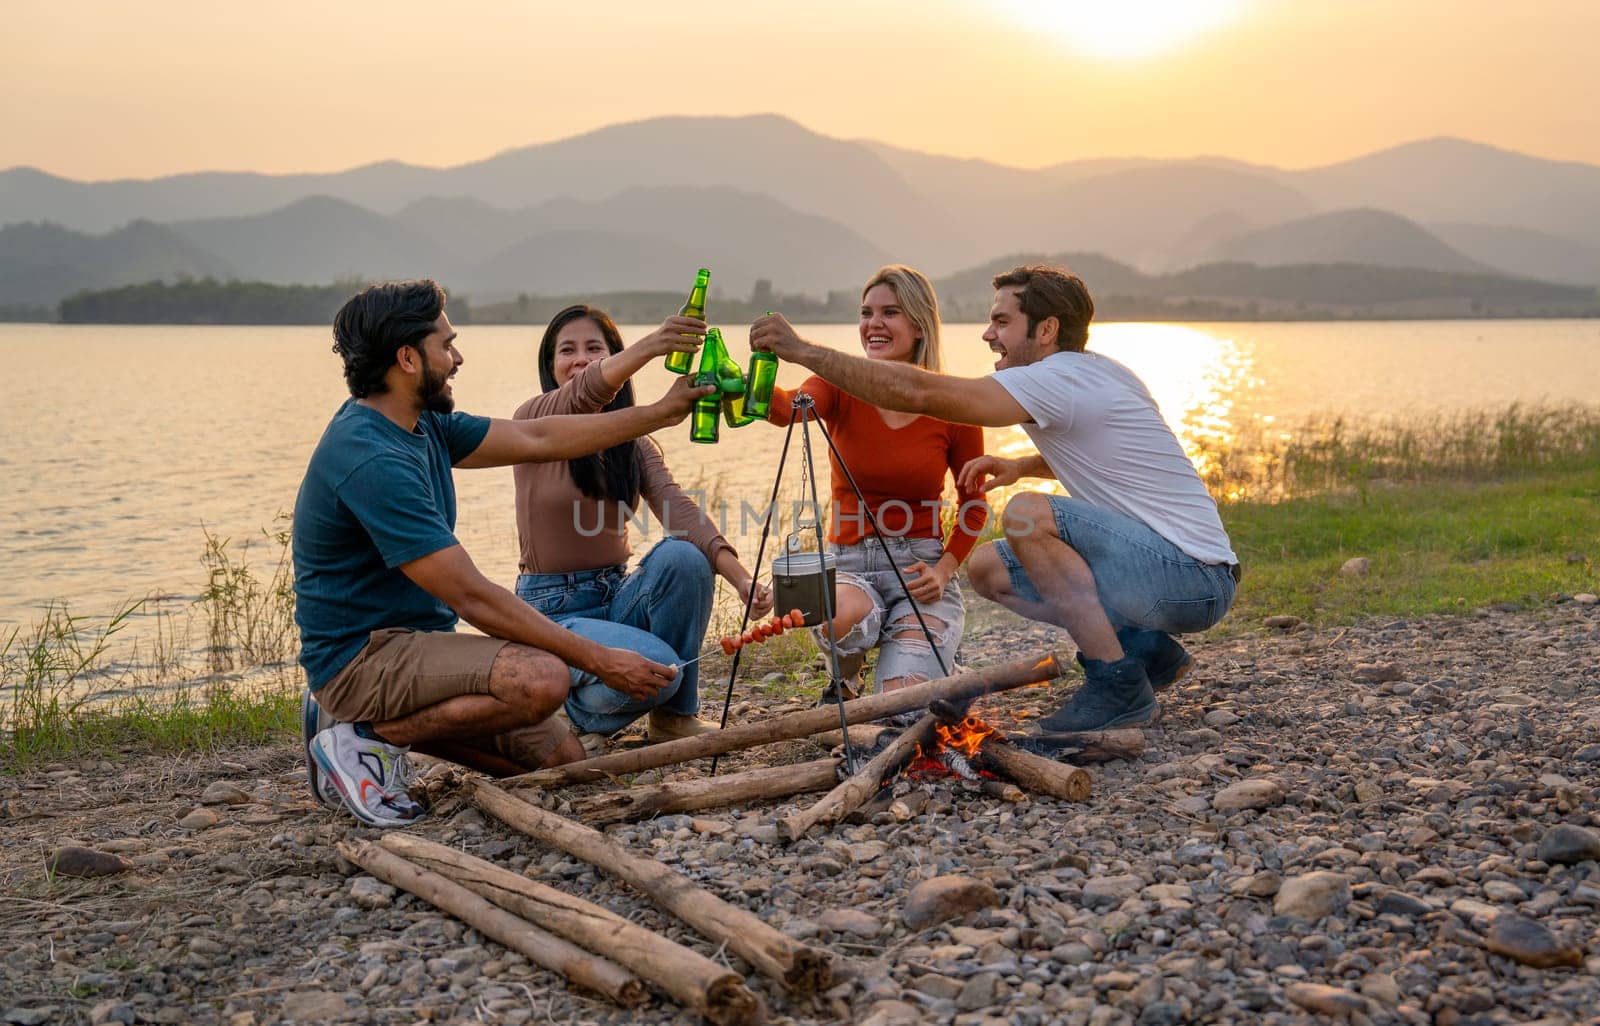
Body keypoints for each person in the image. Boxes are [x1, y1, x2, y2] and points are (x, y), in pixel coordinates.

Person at [750, 264, 1238, 735]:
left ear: (1046, 329)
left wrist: (800, 349)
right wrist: (1023, 466)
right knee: (988, 568)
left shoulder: (1052, 379)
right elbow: (1113, 455)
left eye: (1002, 322)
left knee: (1026, 513)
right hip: (1176, 571)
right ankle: (1144, 648)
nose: (988, 334)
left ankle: (1116, 684)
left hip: (1190, 577)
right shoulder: (1099, 374)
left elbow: (918, 392)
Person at [295, 280, 710, 827]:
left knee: (571, 768)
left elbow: (539, 437)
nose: (458, 357)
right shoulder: (370, 455)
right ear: (406, 359)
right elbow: (471, 596)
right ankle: (364, 738)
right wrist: (599, 660)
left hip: (415, 646)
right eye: (446, 345)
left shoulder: (426, 426)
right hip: (364, 656)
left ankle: (348, 729)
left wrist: (660, 413)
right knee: (541, 679)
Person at [512, 304, 772, 753]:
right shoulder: (532, 423)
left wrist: (741, 578)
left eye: (595, 348)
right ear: (550, 367)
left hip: (615, 598)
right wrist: (655, 344)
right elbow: (586, 392)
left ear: (613, 357)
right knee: (657, 666)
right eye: (567, 351)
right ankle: (570, 707)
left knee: (683, 557)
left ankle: (672, 718)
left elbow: (681, 512)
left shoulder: (631, 445)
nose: (581, 360)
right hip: (551, 614)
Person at [762, 265, 988, 706]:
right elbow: (787, 410)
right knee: (838, 616)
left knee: (896, 709)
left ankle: (923, 657)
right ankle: (845, 679)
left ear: (920, 326)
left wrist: (944, 570)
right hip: (848, 563)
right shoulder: (836, 385)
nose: (873, 324)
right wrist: (746, 374)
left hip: (918, 568)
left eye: (890, 313)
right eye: (866, 312)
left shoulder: (954, 402)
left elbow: (974, 505)